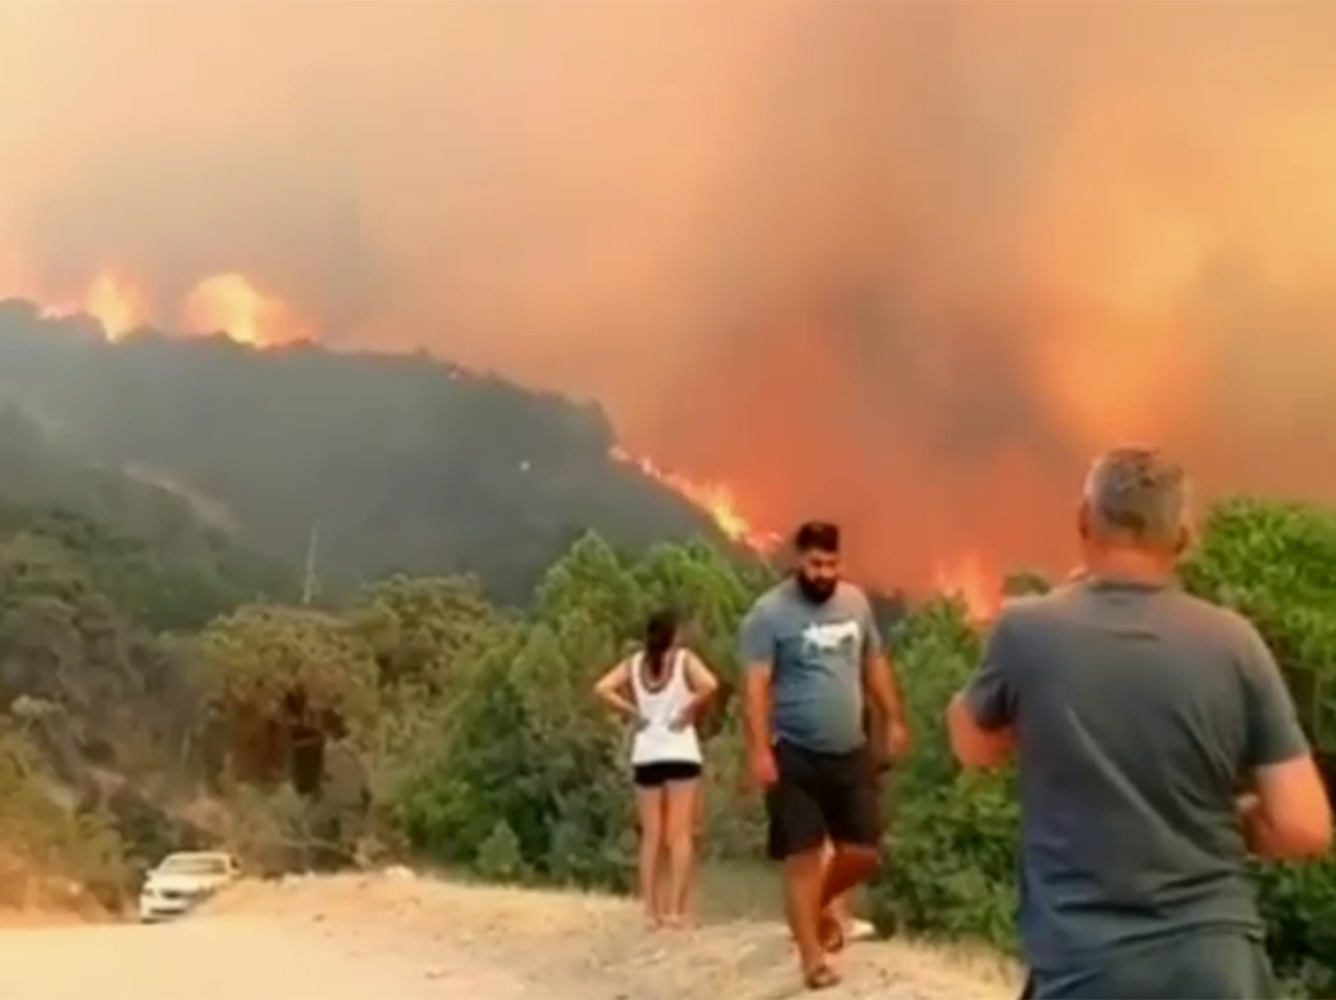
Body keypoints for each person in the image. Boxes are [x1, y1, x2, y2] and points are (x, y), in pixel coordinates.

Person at [947, 446, 1333, 1000]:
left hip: (1089, 969)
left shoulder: (1029, 630)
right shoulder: (1234, 643)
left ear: (1083, 521)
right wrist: (1223, 819)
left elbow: (972, 746)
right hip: (1219, 967)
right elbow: (1304, 826)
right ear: (1182, 538)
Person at [739, 520, 911, 990]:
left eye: (832, 563)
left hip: (849, 751)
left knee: (863, 853)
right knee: (803, 856)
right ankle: (813, 959)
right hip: (794, 753)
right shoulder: (768, 614)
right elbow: (754, 687)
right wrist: (759, 750)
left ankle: (813, 909)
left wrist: (893, 717)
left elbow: (874, 663)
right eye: (815, 563)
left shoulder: (855, 603)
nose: (823, 573)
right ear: (798, 560)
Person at [594, 609, 719, 928]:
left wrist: (633, 712)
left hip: (647, 750)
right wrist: (689, 709)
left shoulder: (635, 664)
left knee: (651, 835)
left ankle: (651, 910)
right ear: (674, 634)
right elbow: (710, 684)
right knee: (680, 834)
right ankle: (676, 910)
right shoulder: (684, 660)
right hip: (680, 750)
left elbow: (602, 687)